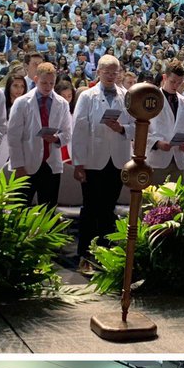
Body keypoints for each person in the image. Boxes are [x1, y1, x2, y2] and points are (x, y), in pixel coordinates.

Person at [70, 54, 134, 272]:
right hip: (92, 161)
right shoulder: (87, 97)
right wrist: (78, 163)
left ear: (119, 74)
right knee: (90, 208)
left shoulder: (127, 97)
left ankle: (106, 255)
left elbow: (138, 126)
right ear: (98, 72)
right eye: (106, 71)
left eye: (114, 71)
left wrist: (122, 128)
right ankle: (84, 255)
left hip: (117, 161)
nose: (110, 75)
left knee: (109, 209)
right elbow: (78, 130)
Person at [6, 61, 72, 205]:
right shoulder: (22, 102)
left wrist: (56, 138)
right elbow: (13, 137)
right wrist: (18, 165)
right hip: (27, 163)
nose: (48, 87)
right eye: (44, 83)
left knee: (48, 209)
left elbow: (67, 133)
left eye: (51, 83)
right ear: (36, 80)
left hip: (51, 163)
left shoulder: (62, 103)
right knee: (22, 208)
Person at [147, 61, 184, 183]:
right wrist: (157, 143)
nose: (176, 86)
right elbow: (142, 129)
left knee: (175, 199)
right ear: (164, 77)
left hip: (178, 159)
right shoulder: (151, 98)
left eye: (179, 82)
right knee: (154, 198)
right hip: (157, 159)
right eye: (173, 81)